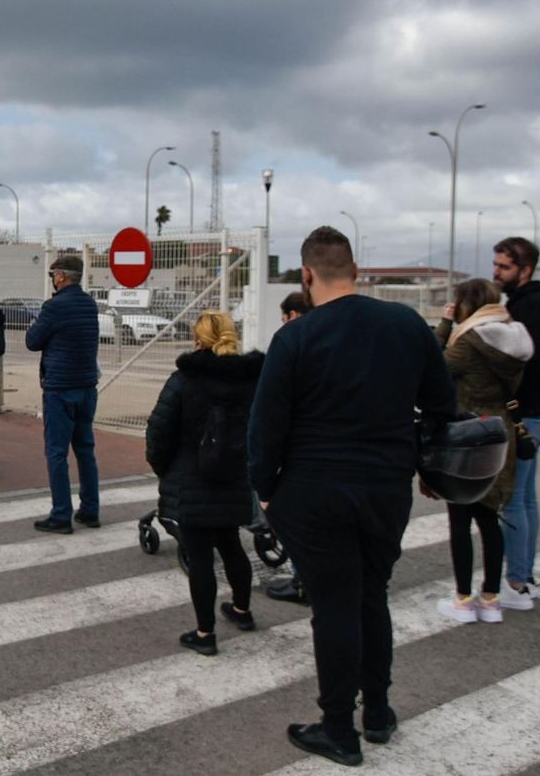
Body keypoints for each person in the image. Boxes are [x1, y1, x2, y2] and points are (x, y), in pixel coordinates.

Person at [248, 226, 454, 767]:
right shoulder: (407, 325)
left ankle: (338, 728)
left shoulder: (296, 337)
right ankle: (378, 711)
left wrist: (265, 490)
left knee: (335, 606)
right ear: (355, 270)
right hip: (386, 488)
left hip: (315, 490)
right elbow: (442, 406)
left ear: (307, 275)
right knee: (371, 596)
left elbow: (266, 427)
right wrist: (422, 462)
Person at [148, 311, 263, 655]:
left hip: (192, 477)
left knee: (199, 557)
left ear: (198, 340)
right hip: (234, 475)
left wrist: (163, 468)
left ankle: (205, 633)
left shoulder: (183, 379)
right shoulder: (250, 380)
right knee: (231, 544)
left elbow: (159, 430)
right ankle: (241, 610)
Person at [428, 279, 531, 625]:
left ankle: (462, 599)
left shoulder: (469, 340)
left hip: (467, 432)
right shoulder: (515, 339)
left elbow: (435, 369)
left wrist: (445, 325)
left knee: (460, 518)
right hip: (499, 432)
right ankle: (491, 599)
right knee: (489, 518)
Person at [491, 236, 540, 609]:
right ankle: (525, 578)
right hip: (535, 414)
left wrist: (512, 400)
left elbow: (535, 367)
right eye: (496, 265)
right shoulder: (532, 303)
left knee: (513, 502)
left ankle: (516, 584)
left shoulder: (527, 307)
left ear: (525, 270)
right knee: (526, 500)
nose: (496, 272)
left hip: (524, 417)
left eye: (504, 267)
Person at [26, 254, 101, 533]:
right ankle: (90, 510)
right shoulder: (89, 304)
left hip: (60, 387)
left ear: (60, 276)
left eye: (52, 275)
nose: (52, 281)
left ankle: (61, 514)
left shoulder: (54, 307)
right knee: (85, 450)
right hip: (87, 386)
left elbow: (32, 341)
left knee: (57, 452)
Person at [263, 290, 314, 606]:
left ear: (293, 315)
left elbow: (273, 407)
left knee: (299, 519)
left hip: (301, 448)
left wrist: (264, 477)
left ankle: (302, 582)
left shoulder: (291, 342)